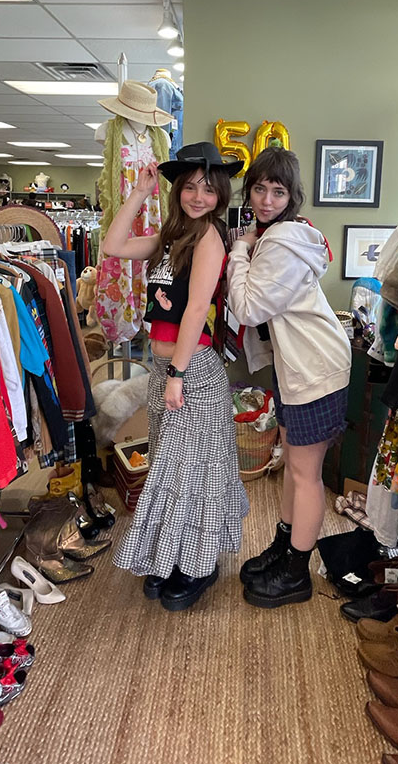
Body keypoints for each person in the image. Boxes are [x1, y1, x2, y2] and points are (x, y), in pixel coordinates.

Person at [108, 142, 249, 611]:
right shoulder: (172, 236)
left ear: (221, 194)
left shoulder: (210, 236)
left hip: (192, 369)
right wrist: (139, 193)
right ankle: (174, 555)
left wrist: (177, 373)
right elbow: (112, 245)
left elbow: (195, 310)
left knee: (192, 470)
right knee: (172, 467)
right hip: (162, 365)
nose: (198, 197)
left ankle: (198, 564)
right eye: (189, 187)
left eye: (208, 189)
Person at [227, 147, 351, 608]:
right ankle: (285, 547)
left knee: (305, 473)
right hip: (302, 365)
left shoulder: (279, 242)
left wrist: (238, 251)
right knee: (293, 470)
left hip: (315, 369)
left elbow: (249, 306)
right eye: (259, 188)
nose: (265, 199)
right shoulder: (278, 236)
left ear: (291, 196)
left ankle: (298, 570)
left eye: (277, 191)